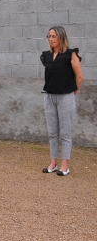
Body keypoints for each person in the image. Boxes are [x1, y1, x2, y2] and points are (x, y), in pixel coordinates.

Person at [40, 26, 83, 176]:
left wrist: (73, 90)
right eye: (49, 36)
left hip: (65, 96)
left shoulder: (71, 54)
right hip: (49, 96)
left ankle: (65, 164)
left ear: (61, 37)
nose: (51, 39)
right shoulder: (46, 56)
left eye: (54, 36)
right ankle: (53, 162)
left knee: (65, 132)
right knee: (52, 132)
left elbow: (79, 76)